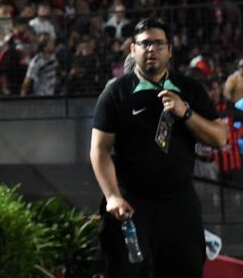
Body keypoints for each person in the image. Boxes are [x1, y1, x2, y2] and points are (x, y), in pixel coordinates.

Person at [90, 18, 228, 278]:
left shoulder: (190, 90)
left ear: (170, 50)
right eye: (144, 44)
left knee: (185, 269)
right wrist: (112, 196)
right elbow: (99, 149)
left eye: (158, 43)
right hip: (131, 203)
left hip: (179, 203)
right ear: (133, 50)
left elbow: (220, 138)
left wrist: (185, 112)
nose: (151, 49)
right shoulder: (116, 93)